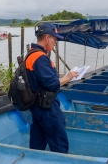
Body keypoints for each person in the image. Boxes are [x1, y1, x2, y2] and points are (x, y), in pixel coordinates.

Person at [26, 23, 78, 153]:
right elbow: (52, 84)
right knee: (59, 142)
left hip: (36, 106)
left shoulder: (31, 54)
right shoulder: (40, 58)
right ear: (47, 38)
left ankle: (35, 160)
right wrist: (68, 77)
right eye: (55, 39)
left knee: (37, 141)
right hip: (47, 108)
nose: (55, 43)